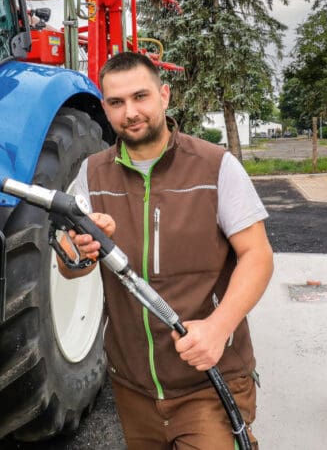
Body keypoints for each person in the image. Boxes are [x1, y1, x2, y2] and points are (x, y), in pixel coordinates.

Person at [60, 52, 274, 449]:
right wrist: (76, 250)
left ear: (164, 95)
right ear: (105, 108)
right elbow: (72, 265)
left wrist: (218, 327)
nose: (130, 112)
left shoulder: (215, 167)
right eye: (116, 102)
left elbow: (257, 255)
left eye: (141, 97)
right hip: (133, 388)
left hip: (208, 379)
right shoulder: (91, 174)